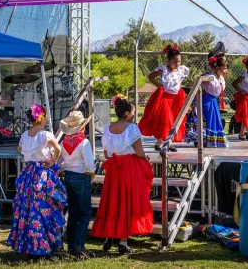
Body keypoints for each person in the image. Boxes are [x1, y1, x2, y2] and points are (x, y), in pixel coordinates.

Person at [91, 95, 153, 255]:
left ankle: (109, 236)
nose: (134, 114)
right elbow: (139, 152)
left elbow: (106, 153)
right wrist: (145, 160)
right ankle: (123, 242)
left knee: (113, 201)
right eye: (133, 112)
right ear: (126, 113)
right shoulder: (132, 128)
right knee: (127, 202)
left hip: (113, 170)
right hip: (129, 168)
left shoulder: (107, 129)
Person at [7, 105, 66, 258]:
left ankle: (29, 246)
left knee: (27, 208)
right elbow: (58, 148)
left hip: (28, 174)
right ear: (42, 117)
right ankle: (44, 247)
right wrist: (52, 160)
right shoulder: (45, 134)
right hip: (41, 174)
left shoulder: (25, 135)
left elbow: (20, 149)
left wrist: (31, 154)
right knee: (44, 208)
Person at [58, 111, 96, 258]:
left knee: (73, 213)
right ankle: (79, 246)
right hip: (81, 176)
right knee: (85, 212)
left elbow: (59, 162)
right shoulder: (84, 142)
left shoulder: (64, 142)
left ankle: (72, 246)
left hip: (67, 176)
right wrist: (91, 175)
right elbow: (90, 165)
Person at [139, 44, 190, 151]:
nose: (177, 64)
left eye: (179, 61)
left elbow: (178, 83)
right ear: (168, 61)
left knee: (175, 120)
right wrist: (159, 86)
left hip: (176, 98)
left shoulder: (181, 70)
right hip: (165, 98)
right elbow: (150, 76)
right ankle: (159, 142)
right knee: (165, 120)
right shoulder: (163, 70)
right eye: (174, 62)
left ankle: (169, 142)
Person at [201, 52, 229, 148]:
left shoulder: (220, 78)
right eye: (224, 68)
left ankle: (212, 141)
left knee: (215, 121)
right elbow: (199, 80)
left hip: (213, 101)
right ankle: (203, 140)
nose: (226, 70)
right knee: (207, 120)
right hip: (206, 101)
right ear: (217, 68)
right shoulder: (210, 76)